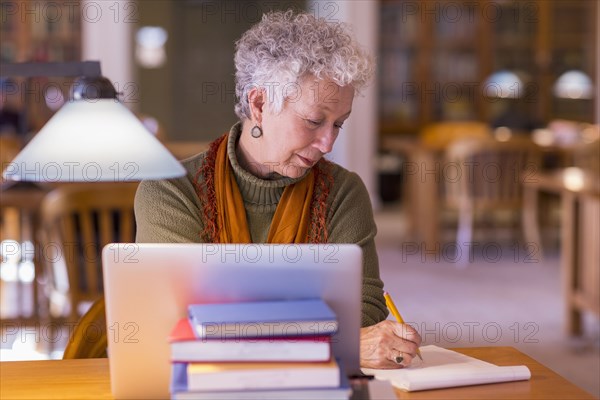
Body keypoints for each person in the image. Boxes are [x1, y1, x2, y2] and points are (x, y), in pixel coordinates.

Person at [135, 10, 421, 369]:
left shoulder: (344, 191)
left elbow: (364, 311)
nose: (328, 143)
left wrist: (247, 326)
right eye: (314, 121)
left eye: (339, 124)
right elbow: (182, 325)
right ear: (259, 104)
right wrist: (335, 339)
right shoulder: (170, 192)